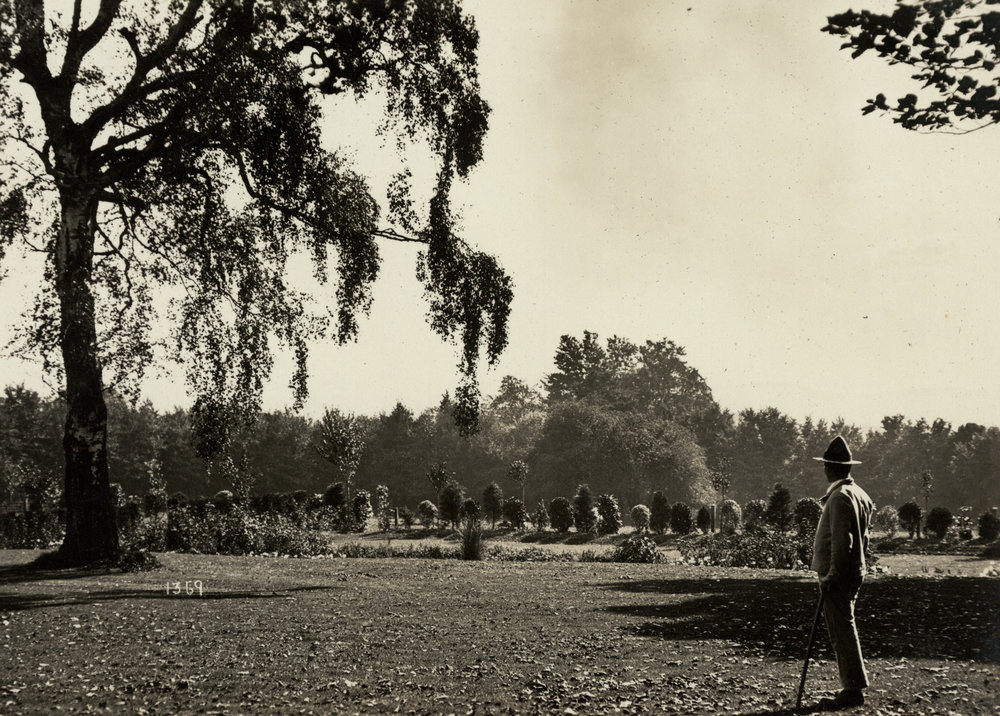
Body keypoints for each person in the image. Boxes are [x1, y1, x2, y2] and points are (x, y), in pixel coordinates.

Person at [811, 435, 874, 710]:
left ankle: (852, 689)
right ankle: (853, 686)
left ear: (829, 467)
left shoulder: (839, 497)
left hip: (838, 575)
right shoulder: (860, 494)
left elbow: (842, 541)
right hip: (854, 571)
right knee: (845, 626)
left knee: (842, 630)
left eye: (825, 464)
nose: (824, 469)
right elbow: (864, 540)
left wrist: (832, 574)